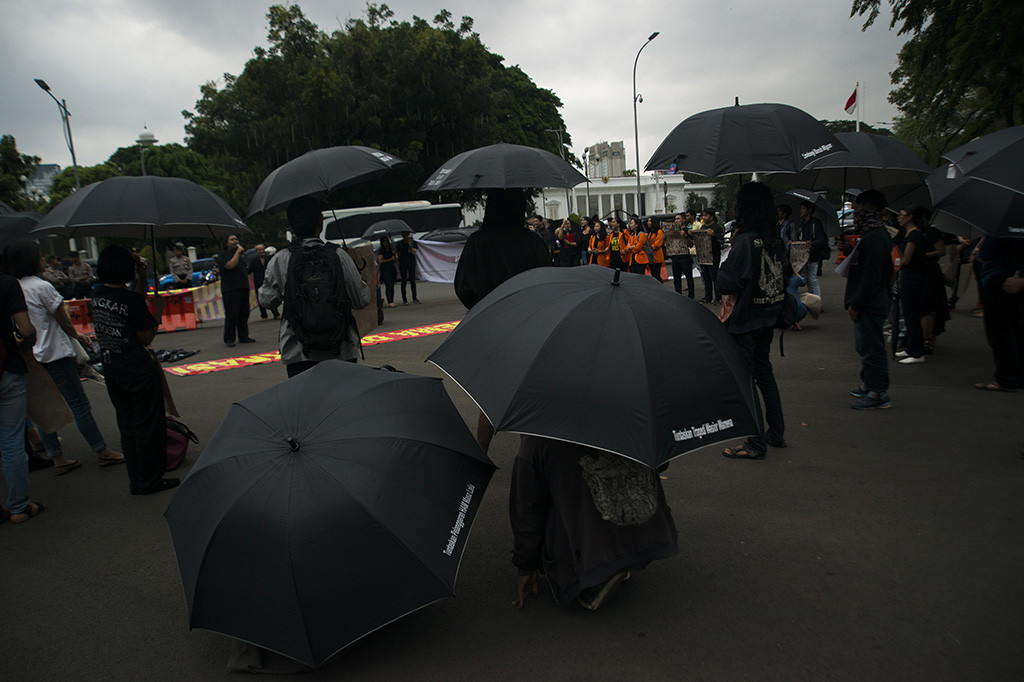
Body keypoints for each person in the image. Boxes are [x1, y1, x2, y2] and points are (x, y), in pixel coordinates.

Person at [510, 435, 678, 610]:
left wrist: (526, 566)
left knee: (558, 502)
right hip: (652, 533)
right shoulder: (632, 419)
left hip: (595, 541)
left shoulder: (540, 436)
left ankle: (594, 576)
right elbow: (661, 464)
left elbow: (527, 508)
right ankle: (625, 557)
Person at [5, 239, 125, 473]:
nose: (43, 260)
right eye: (39, 255)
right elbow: (63, 319)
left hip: (31, 355)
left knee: (45, 408)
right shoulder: (41, 286)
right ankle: (101, 451)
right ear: (31, 260)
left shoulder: (13, 286)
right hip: (55, 353)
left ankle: (57, 457)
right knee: (79, 404)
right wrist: (79, 336)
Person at [453, 189, 550, 450]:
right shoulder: (533, 242)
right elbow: (550, 282)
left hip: (489, 326)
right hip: (531, 325)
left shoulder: (478, 242)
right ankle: (529, 457)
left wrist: (481, 307)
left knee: (491, 394)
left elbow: (464, 287)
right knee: (527, 392)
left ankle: (481, 450)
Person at [91, 246, 179, 495]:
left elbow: (133, 301)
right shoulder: (129, 300)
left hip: (112, 368)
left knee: (128, 426)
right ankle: (151, 480)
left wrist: (141, 278)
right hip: (138, 371)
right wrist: (159, 311)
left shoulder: (98, 294)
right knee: (149, 426)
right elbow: (146, 337)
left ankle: (137, 477)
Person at [258, 197, 371, 379]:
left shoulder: (281, 259)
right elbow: (361, 300)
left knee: (306, 406)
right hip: (341, 349)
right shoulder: (339, 255)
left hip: (298, 351)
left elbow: (266, 301)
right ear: (320, 221)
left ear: (292, 226)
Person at [716, 182, 786, 458]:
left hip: (745, 320)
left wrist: (727, 258)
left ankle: (755, 442)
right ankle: (776, 432)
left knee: (745, 381)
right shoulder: (773, 238)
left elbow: (728, 281)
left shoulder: (744, 242)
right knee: (764, 374)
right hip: (768, 315)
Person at [844, 190, 895, 409]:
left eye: (860, 210)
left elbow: (871, 276)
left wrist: (857, 303)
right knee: (864, 346)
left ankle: (878, 392)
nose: (856, 214)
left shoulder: (875, 238)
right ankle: (868, 383)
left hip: (870, 302)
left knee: (872, 347)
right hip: (871, 300)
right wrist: (847, 249)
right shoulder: (872, 236)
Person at [0, 268, 43, 522]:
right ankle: (19, 506)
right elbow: (27, 330)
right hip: (7, 370)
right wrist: (22, 342)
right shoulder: (7, 284)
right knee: (12, 442)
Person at [974, 236, 1024, 391]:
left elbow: (989, 252)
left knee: (1002, 333)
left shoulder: (1006, 229)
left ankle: (1007, 378)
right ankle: (1014, 377)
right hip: (1003, 278)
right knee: (1012, 330)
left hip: (1002, 280)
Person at [894, 206, 931, 364]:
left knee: (912, 313)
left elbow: (907, 259)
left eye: (901, 214)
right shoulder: (909, 233)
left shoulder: (914, 234)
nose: (899, 218)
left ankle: (917, 352)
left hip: (913, 277)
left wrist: (895, 260)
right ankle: (911, 348)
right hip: (911, 276)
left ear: (910, 217)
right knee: (909, 314)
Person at [216, 234, 254, 347]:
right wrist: (238, 252)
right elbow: (230, 266)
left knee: (244, 313)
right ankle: (229, 338)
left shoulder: (240, 256)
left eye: (236, 239)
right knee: (232, 314)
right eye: (232, 240)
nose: (235, 241)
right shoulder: (223, 255)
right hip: (231, 289)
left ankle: (244, 336)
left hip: (243, 287)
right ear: (226, 243)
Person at [664, 213, 695, 297]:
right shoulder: (671, 231)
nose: (676, 221)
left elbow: (691, 244)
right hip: (675, 256)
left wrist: (685, 236)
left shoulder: (687, 230)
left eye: (678, 219)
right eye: (675, 219)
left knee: (689, 277)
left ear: (683, 220)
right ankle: (678, 294)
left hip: (684, 256)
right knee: (676, 278)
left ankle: (691, 295)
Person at [698, 210, 725, 303]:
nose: (704, 218)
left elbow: (721, 241)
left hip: (713, 256)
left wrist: (714, 235)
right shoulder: (703, 227)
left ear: (711, 216)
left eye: (706, 215)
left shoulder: (717, 227)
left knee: (714, 277)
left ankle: (718, 297)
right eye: (703, 216)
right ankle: (708, 297)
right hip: (703, 256)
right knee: (706, 278)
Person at [247, 244, 278, 320]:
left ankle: (276, 314)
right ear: (256, 251)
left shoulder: (269, 259)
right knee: (260, 299)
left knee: (272, 297)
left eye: (262, 249)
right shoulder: (254, 261)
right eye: (259, 250)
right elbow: (248, 271)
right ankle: (264, 315)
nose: (261, 251)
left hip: (269, 281)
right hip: (258, 282)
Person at [396, 231, 420, 305]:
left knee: (412, 280)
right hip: (403, 263)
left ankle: (415, 298)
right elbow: (398, 255)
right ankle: (404, 299)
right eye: (403, 234)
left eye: (405, 234)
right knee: (404, 281)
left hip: (411, 262)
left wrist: (410, 245)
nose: (404, 236)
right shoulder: (400, 244)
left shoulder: (412, 242)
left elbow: (414, 252)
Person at [376, 235, 399, 308]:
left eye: (387, 241)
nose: (386, 243)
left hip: (391, 268)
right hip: (385, 269)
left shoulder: (391, 249)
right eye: (384, 242)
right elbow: (381, 260)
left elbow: (395, 259)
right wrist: (390, 259)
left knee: (392, 285)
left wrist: (394, 254)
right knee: (388, 285)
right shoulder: (381, 250)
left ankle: (392, 299)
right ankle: (390, 301)